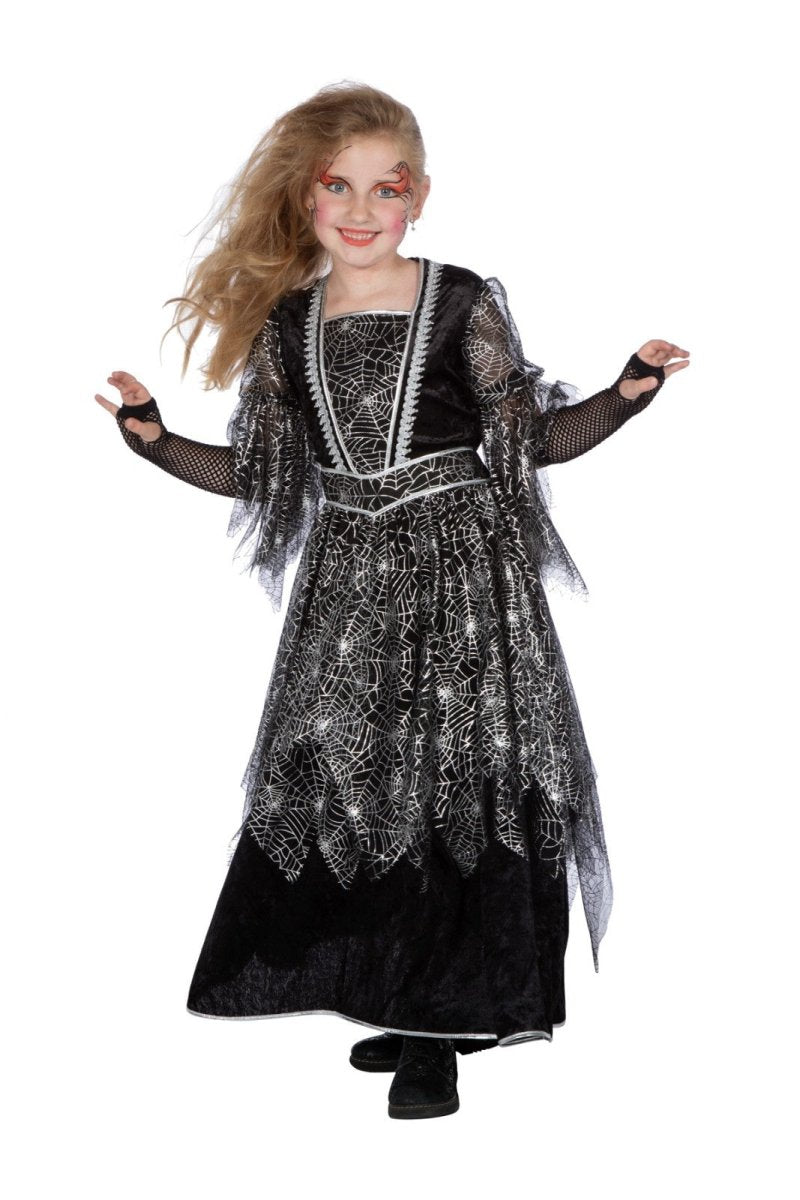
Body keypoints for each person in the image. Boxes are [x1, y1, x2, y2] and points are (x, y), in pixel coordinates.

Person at [94, 80, 689, 1121]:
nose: (362, 209)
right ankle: (397, 991)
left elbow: (527, 441)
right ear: (306, 196)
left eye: (388, 187)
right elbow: (266, 474)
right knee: (360, 779)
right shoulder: (289, 324)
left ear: (420, 196)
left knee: (451, 775)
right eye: (339, 186)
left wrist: (625, 393)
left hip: (461, 575)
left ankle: (433, 1035)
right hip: (350, 584)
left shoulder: (458, 301)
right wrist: (153, 440)